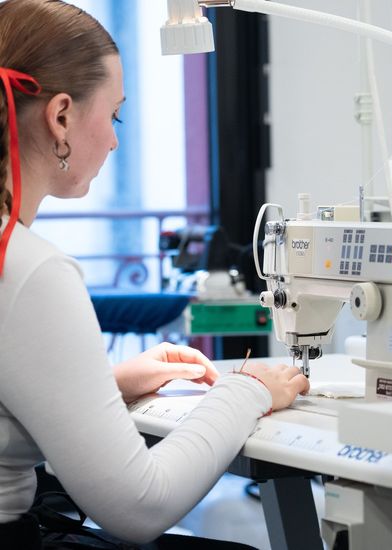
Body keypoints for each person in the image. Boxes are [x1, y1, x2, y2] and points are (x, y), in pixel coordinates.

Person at [0, 1, 310, 548]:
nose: (114, 140)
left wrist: (103, 387)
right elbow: (140, 506)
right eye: (114, 115)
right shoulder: (30, 270)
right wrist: (247, 392)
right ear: (61, 116)